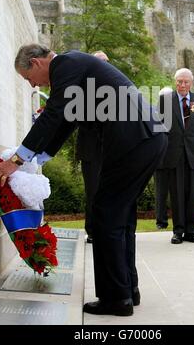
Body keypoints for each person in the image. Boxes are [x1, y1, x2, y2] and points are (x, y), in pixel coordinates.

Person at [0, 44, 167, 317]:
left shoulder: (65, 65)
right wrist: (38, 160)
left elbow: (52, 115)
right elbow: (66, 122)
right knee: (120, 216)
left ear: (36, 63)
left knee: (104, 216)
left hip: (134, 141)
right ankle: (128, 290)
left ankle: (116, 298)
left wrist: (17, 160)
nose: (31, 84)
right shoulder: (74, 70)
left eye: (28, 78)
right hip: (146, 138)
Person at [154, 68, 194, 244]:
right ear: (175, 82)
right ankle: (178, 231)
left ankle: (191, 232)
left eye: (186, 82)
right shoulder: (165, 101)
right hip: (172, 155)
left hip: (192, 154)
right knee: (176, 195)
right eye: (179, 82)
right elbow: (158, 130)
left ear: (191, 83)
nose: (182, 85)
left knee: (191, 194)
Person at [76, 51, 109, 244]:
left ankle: (111, 228)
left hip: (111, 149)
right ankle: (93, 231)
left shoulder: (116, 88)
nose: (103, 66)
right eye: (100, 63)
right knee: (93, 192)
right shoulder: (82, 89)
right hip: (90, 149)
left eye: (106, 62)